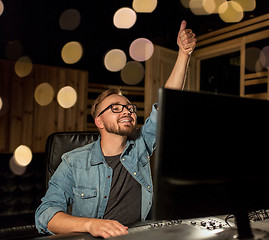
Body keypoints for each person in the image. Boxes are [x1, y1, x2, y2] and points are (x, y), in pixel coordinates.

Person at [35, 20, 196, 238]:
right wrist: (91, 225)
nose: (127, 111)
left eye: (129, 107)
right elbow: (45, 215)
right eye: (115, 108)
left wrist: (184, 55)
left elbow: (167, 105)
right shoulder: (73, 162)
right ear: (99, 121)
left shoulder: (140, 146)